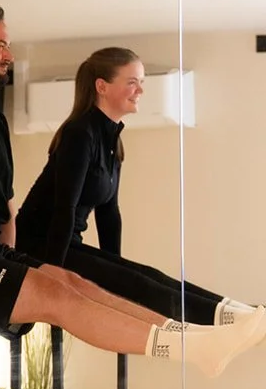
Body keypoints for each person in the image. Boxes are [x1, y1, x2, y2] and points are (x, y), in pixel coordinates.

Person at [0, 8, 265, 379]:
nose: (9, 55)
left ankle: (195, 340)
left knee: (71, 283)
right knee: (57, 295)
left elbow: (6, 207)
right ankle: (194, 347)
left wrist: (15, 258)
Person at [15, 46, 259, 326]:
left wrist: (116, 267)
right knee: (142, 285)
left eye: (141, 83)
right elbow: (64, 207)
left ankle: (244, 314)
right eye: (132, 82)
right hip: (39, 247)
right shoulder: (80, 134)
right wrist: (52, 274)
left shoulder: (112, 140)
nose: (140, 91)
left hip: (66, 243)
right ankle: (233, 321)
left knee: (148, 276)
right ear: (102, 87)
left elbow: (109, 214)